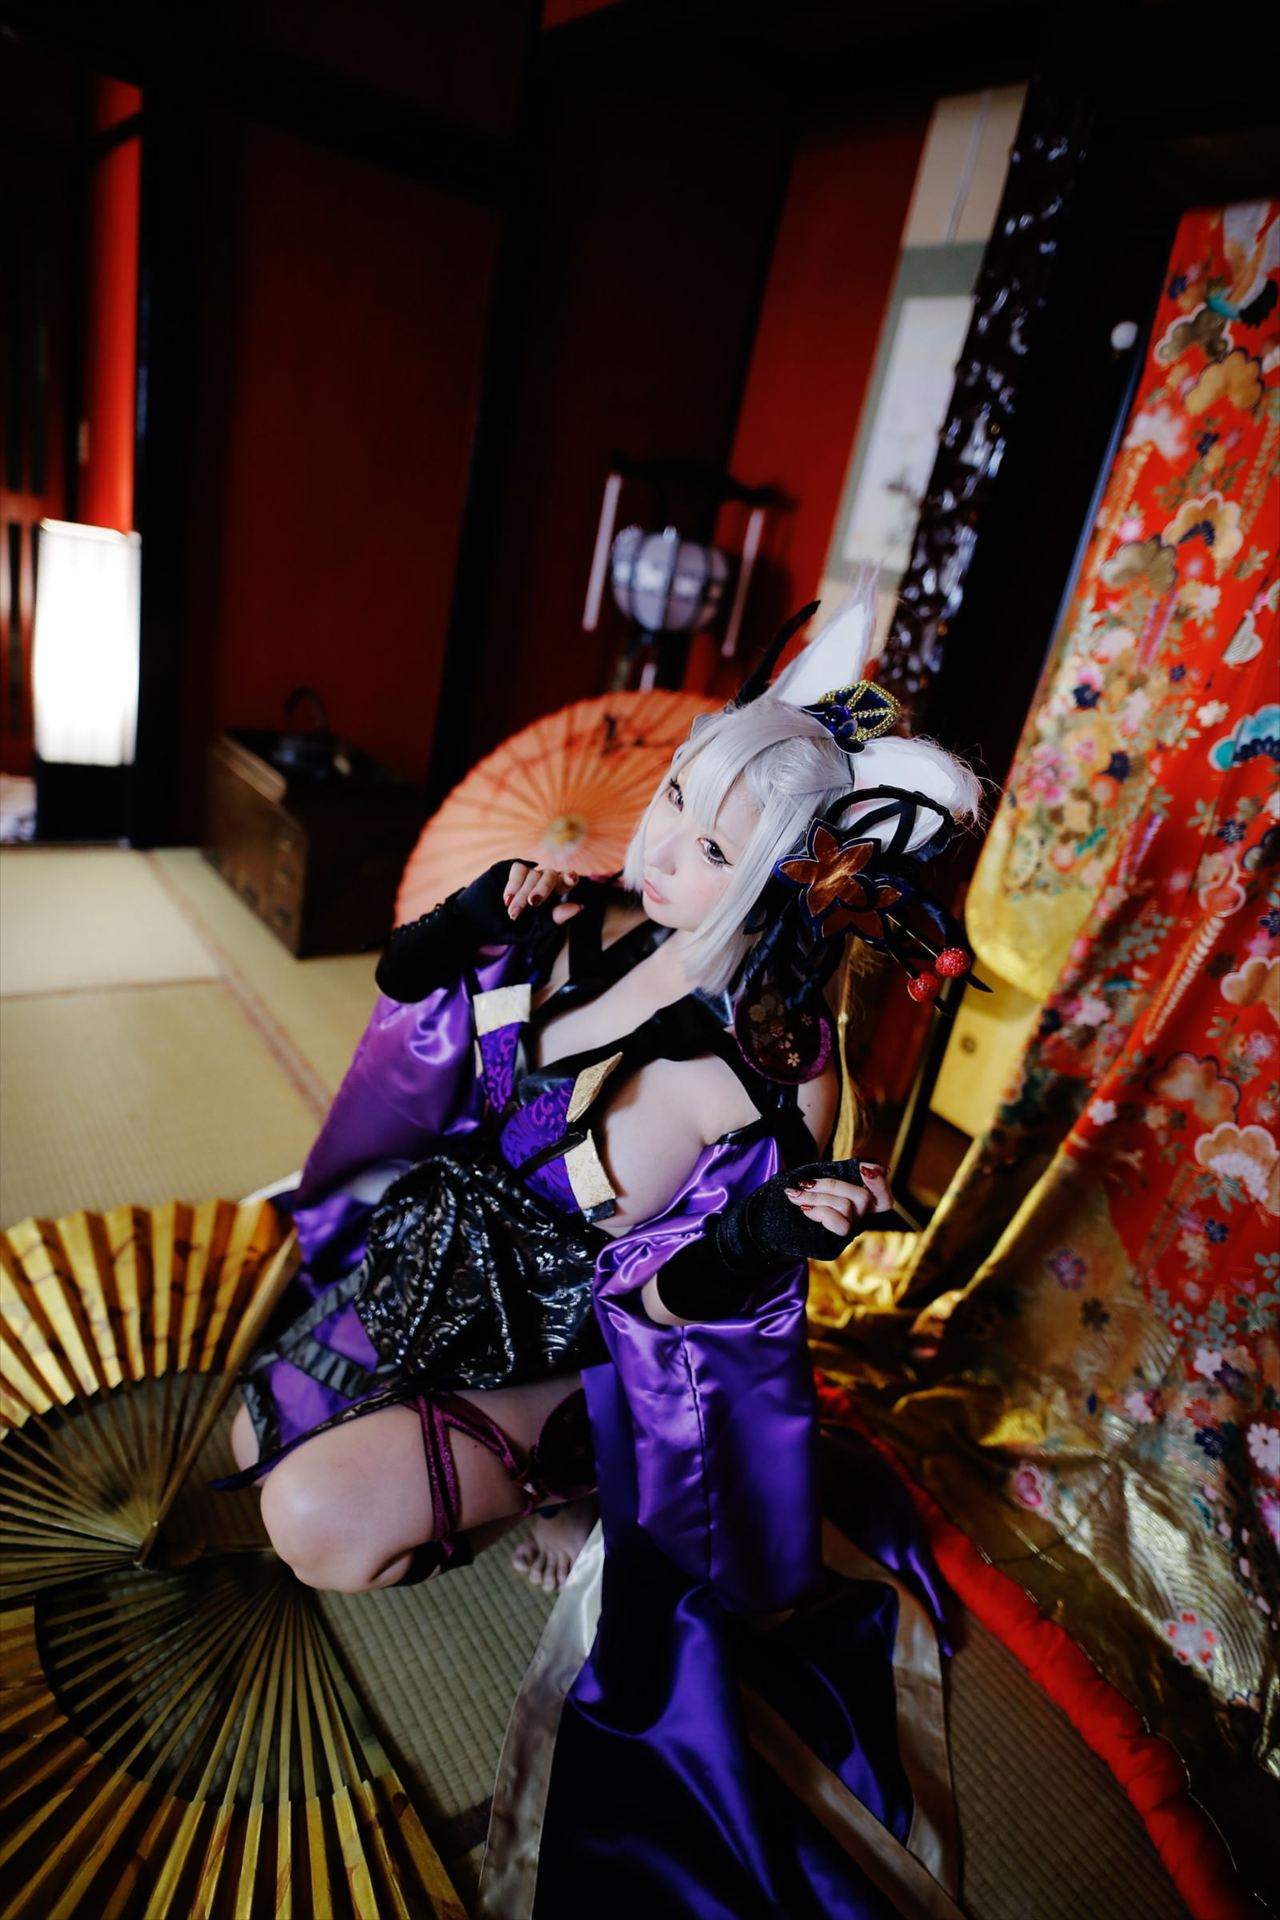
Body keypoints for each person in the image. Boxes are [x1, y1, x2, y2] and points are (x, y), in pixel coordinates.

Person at [218, 583, 983, 1916]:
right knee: (244, 1440)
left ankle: (561, 1495)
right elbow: (414, 1031)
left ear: (789, 877)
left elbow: (697, 1322)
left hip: (577, 1357)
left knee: (312, 1525)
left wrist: (765, 1232)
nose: (663, 844)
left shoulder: (776, 1078)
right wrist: (473, 928)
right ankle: (456, 1459)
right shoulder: (596, 922)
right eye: (676, 793)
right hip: (426, 1264)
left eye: (713, 840)